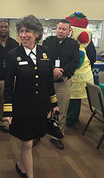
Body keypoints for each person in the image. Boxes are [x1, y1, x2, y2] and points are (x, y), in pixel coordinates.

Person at [3, 15, 59, 178]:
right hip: (22, 107)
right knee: (27, 142)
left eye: (27, 31)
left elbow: (49, 81)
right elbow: (8, 86)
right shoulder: (13, 55)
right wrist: (8, 110)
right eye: (21, 31)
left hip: (40, 107)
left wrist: (54, 103)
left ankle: (21, 165)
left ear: (37, 33)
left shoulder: (46, 53)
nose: (23, 35)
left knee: (29, 141)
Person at [43, 19, 80, 149]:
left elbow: (75, 62)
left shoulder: (74, 45)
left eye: (64, 29)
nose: (60, 31)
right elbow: (43, 59)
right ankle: (38, 133)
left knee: (61, 111)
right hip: (47, 82)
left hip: (63, 82)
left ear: (69, 31)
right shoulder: (47, 42)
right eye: (59, 28)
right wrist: (52, 69)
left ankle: (56, 136)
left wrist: (61, 71)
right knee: (43, 109)